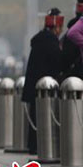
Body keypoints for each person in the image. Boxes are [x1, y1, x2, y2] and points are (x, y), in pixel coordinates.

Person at [22, 8, 63, 155]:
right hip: (44, 86)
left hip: (35, 84)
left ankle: (33, 145)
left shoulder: (40, 38)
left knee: (35, 115)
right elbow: (58, 61)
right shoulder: (50, 41)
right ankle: (41, 145)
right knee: (42, 116)